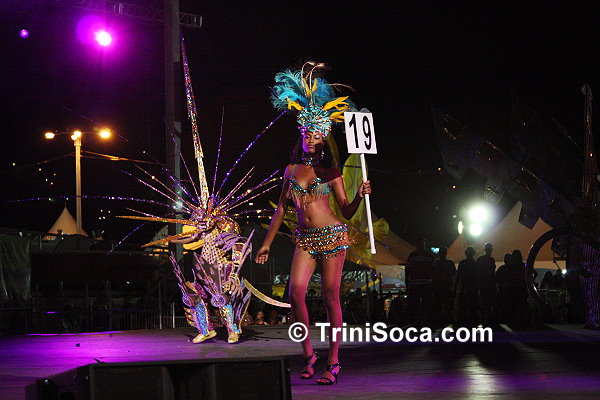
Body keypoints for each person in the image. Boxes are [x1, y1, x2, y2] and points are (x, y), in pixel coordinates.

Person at [255, 61, 370, 385]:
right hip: (304, 238)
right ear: (302, 135)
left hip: (333, 235)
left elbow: (347, 211)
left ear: (323, 139)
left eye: (316, 134)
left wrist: (361, 195)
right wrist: (266, 243)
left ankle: (333, 361)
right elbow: (281, 209)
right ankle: (309, 356)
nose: (311, 137)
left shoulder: (331, 173)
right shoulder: (291, 171)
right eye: (307, 133)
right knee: (295, 293)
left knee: (331, 295)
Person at [406, 238, 435, 322]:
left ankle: (417, 320)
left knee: (416, 302)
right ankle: (425, 319)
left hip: (416, 283)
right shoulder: (429, 255)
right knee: (426, 302)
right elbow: (434, 270)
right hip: (426, 283)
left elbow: (407, 269)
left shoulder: (412, 255)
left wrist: (407, 281)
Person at [431, 246, 456, 323]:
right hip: (447, 286)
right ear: (446, 253)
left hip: (438, 286)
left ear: (439, 253)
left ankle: (439, 319)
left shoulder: (436, 263)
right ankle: (449, 319)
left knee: (438, 304)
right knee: (448, 305)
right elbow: (453, 274)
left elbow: (433, 275)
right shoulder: (450, 263)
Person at [455, 247, 479, 324]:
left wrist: (455, 287)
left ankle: (462, 322)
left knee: (462, 307)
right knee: (473, 308)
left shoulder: (462, 263)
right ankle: (472, 322)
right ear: (473, 253)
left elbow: (458, 276)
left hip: (465, 287)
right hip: (473, 288)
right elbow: (477, 277)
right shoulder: (475, 264)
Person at [476, 243, 497, 325]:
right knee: (488, 304)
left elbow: (478, 273)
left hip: (484, 285)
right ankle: (487, 321)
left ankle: (483, 320)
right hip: (489, 285)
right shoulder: (491, 260)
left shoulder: (480, 260)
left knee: (483, 303)